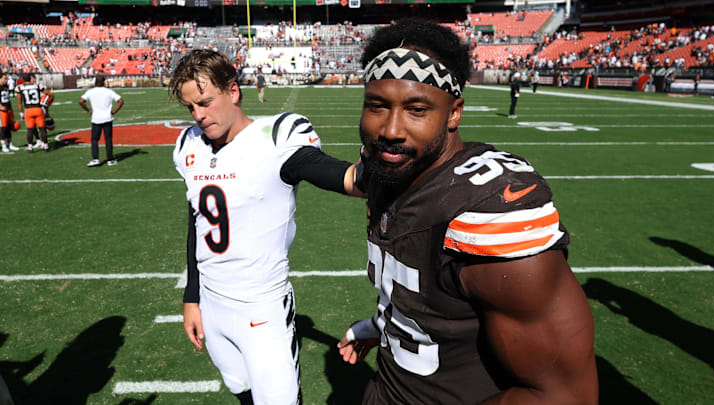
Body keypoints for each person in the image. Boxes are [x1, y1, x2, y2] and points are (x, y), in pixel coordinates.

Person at [337, 19, 598, 404]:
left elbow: (564, 396)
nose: (390, 129)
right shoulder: (391, 170)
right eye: (377, 106)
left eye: (416, 109)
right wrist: (382, 326)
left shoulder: (487, 211)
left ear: (454, 112)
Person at [169, 49, 362, 405]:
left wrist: (385, 174)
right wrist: (192, 297)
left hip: (262, 308)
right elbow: (196, 222)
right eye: (190, 108)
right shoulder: (189, 146)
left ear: (233, 90)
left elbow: (340, 176)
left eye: (206, 102)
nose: (198, 115)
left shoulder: (276, 138)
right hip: (212, 305)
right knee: (240, 391)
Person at [79, 76, 123, 167]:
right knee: (108, 139)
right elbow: (120, 101)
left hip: (96, 118)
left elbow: (81, 101)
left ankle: (95, 159)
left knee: (94, 140)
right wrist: (114, 111)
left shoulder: (90, 92)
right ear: (103, 82)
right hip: (107, 118)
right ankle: (110, 159)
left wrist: (88, 110)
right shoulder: (109, 92)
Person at [16, 74, 51, 152]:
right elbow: (49, 94)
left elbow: (19, 102)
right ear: (30, 78)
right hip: (38, 109)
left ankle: (30, 147)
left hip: (28, 110)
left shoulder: (20, 87)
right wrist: (43, 102)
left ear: (23, 79)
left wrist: (21, 113)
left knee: (30, 130)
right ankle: (46, 146)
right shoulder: (37, 86)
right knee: (42, 129)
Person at [0, 72, 20, 153]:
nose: (6, 80)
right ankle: (3, 145)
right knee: (3, 128)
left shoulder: (6, 86)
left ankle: (10, 144)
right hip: (2, 110)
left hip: (8, 108)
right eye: (5, 78)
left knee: (9, 127)